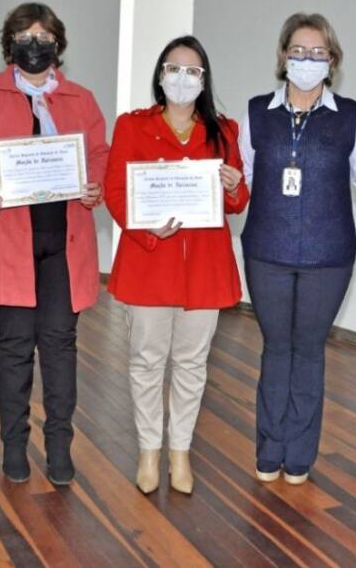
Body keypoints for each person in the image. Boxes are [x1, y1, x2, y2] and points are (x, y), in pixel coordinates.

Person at [0, 2, 109, 486]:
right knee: (15, 345)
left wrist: (95, 185)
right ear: (9, 44)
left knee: (60, 345)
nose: (34, 45)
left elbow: (99, 154)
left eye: (44, 37)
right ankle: (14, 445)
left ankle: (59, 445)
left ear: (58, 45)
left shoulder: (82, 99)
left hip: (64, 244)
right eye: (24, 36)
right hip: (8, 242)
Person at [104, 36, 248, 494]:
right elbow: (115, 192)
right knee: (146, 360)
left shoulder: (225, 131)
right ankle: (150, 450)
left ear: (204, 79)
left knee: (191, 363)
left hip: (204, 266)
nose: (182, 78)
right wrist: (145, 229)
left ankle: (180, 451)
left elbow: (238, 201)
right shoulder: (132, 125)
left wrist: (233, 184)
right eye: (174, 68)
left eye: (192, 71)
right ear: (160, 74)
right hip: (149, 261)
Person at [239, 13, 356, 485]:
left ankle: (299, 454)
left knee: (310, 351)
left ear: (332, 61)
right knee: (276, 348)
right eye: (298, 51)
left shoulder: (351, 116)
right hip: (266, 252)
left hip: (328, 257)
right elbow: (242, 180)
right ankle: (269, 448)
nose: (307, 60)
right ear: (282, 56)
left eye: (318, 52)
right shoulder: (257, 112)